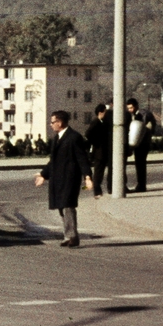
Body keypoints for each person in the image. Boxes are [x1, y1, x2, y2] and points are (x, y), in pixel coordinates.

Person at [35, 110, 94, 247]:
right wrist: (43, 175)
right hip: (58, 179)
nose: (51, 125)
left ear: (60, 123)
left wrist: (87, 177)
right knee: (61, 206)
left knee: (68, 205)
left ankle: (73, 236)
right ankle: (67, 235)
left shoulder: (74, 137)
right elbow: (53, 161)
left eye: (52, 122)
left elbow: (82, 158)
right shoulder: (57, 138)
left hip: (70, 178)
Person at [124, 98, 157, 193]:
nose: (130, 110)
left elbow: (148, 127)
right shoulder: (135, 114)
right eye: (128, 108)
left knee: (140, 164)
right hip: (139, 142)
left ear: (136, 106)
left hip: (143, 142)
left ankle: (141, 185)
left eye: (131, 108)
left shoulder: (144, 114)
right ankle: (141, 184)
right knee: (139, 164)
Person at [85, 104, 112, 196]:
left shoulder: (102, 122)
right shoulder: (95, 121)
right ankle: (97, 191)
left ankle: (102, 190)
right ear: (101, 112)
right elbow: (88, 134)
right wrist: (96, 142)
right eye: (105, 111)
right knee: (98, 173)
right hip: (99, 153)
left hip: (103, 152)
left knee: (101, 172)